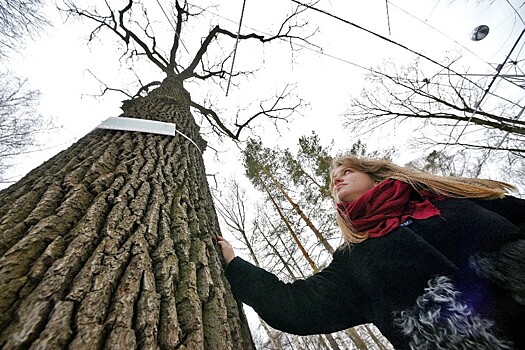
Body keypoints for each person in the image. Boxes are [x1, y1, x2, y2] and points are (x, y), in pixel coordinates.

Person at [218, 155, 525, 349]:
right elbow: (294, 306)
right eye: (333, 179)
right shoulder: (355, 262)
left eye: (347, 170)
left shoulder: (452, 197)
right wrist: (235, 266)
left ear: (373, 173)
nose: (337, 178)